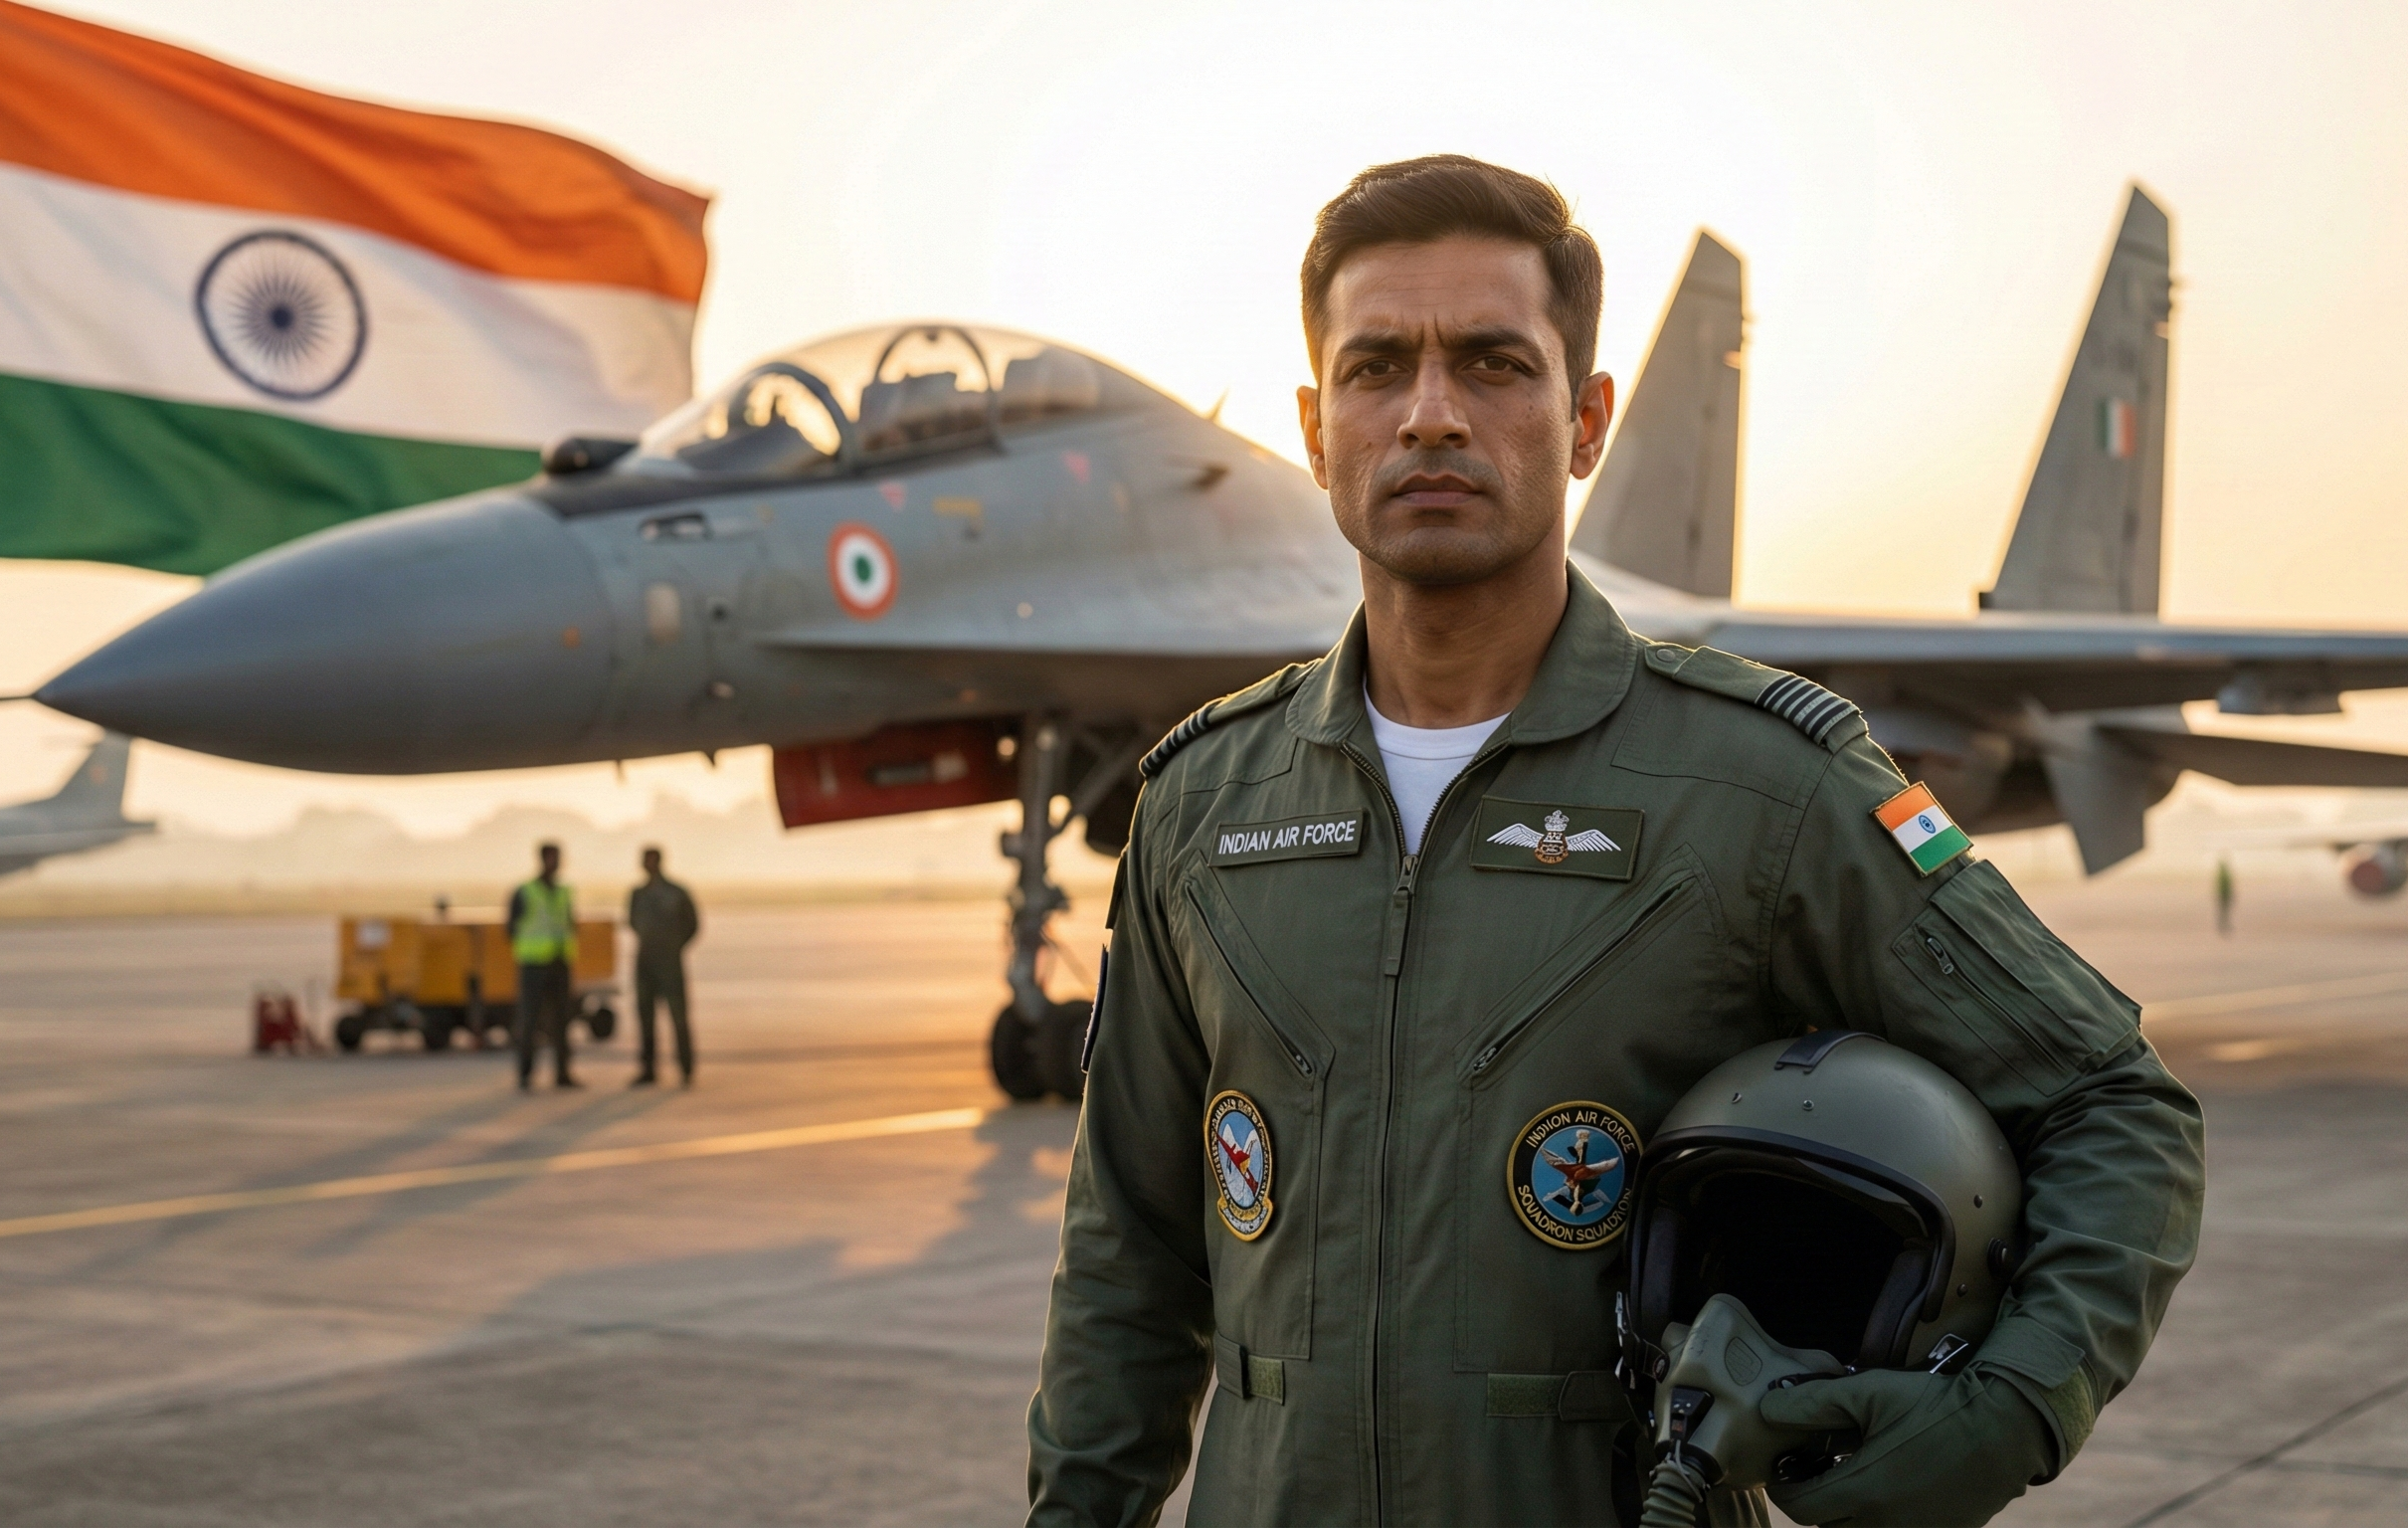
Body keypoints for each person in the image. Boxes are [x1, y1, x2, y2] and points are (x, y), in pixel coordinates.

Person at [1025, 156, 2206, 1527]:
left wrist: (2013, 1408)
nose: (1429, 414)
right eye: (1375, 369)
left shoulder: (1763, 784)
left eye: (1492, 364)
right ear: (1314, 426)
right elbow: (1128, 1259)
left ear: (1584, 421)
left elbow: (2112, 1102)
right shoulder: (1201, 805)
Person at [509, 841, 580, 1091]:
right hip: (534, 965)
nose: (556, 863)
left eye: (558, 858)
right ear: (542, 859)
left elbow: (569, 923)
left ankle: (563, 1073)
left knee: (562, 1021)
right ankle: (525, 1074)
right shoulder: (525, 891)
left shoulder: (564, 892)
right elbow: (511, 927)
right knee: (529, 1021)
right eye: (552, 857)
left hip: (559, 964)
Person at [627, 845, 700, 1086]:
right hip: (645, 962)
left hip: (669, 963)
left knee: (678, 1017)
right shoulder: (638, 894)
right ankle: (648, 1069)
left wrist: (675, 946)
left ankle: (686, 1067)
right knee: (645, 1018)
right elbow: (632, 922)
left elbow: (692, 924)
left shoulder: (677, 893)